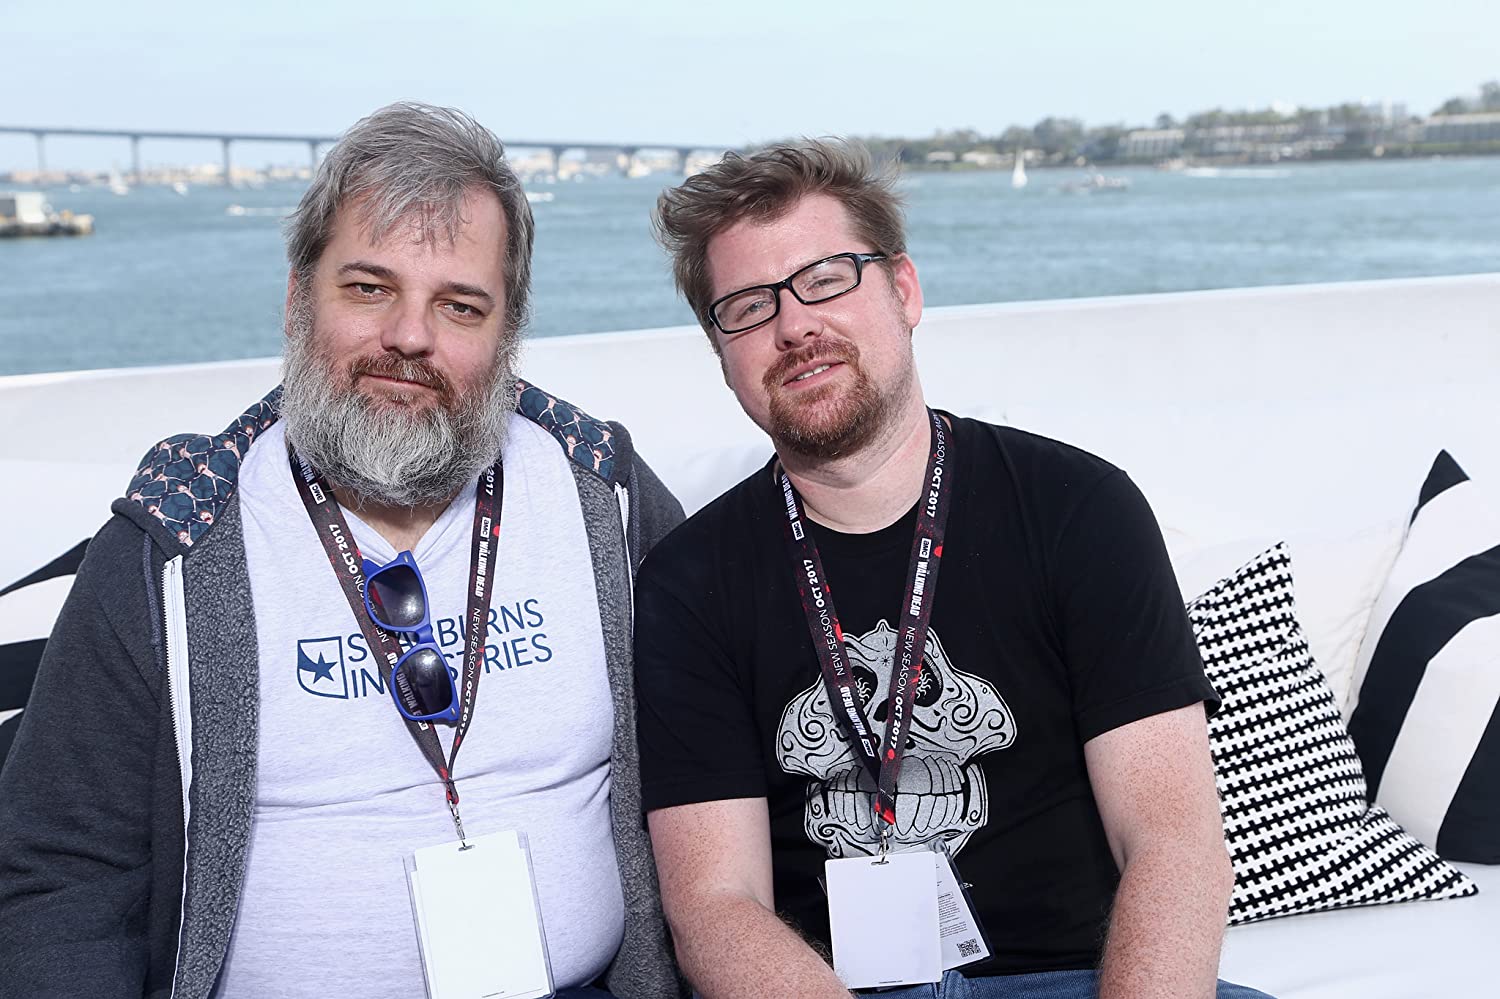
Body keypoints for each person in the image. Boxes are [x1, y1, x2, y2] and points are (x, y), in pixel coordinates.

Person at [0, 103, 684, 999]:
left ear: (508, 335)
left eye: (460, 305)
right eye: (368, 288)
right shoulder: (175, 543)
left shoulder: (605, 498)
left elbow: (719, 767)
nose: (409, 336)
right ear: (297, 298)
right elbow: (60, 874)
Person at [634, 141, 1269, 999]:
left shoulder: (1080, 507)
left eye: (825, 278)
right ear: (721, 352)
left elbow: (1174, 840)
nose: (794, 325)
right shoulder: (686, 582)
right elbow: (714, 905)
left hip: (1085, 980)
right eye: (748, 306)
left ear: (903, 290)